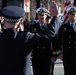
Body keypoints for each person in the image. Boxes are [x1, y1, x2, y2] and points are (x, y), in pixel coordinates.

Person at [0, 5, 58, 75]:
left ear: (3, 24)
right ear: (20, 24)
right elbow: (49, 34)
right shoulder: (25, 37)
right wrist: (55, 17)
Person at [30, 5, 62, 75]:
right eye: (40, 15)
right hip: (36, 56)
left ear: (46, 16)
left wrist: (54, 55)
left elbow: (55, 42)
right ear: (37, 16)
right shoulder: (32, 27)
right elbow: (29, 40)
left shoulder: (50, 27)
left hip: (47, 56)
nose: (41, 17)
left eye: (43, 15)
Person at [58, 6, 76, 75]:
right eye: (71, 14)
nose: (73, 16)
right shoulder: (63, 27)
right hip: (67, 55)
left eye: (74, 14)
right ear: (68, 15)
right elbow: (59, 40)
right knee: (68, 72)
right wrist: (60, 53)